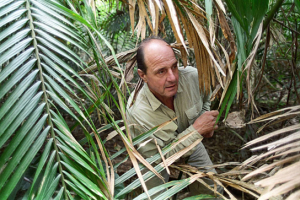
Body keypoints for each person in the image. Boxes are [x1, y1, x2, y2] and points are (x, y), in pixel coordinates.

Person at [126, 36, 222, 198]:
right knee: (157, 196)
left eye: (174, 66)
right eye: (161, 71)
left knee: (212, 190)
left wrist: (204, 118)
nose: (172, 77)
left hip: (192, 142)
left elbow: (207, 96)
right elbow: (160, 158)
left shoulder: (192, 78)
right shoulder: (137, 111)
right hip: (155, 158)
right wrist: (197, 130)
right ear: (143, 75)